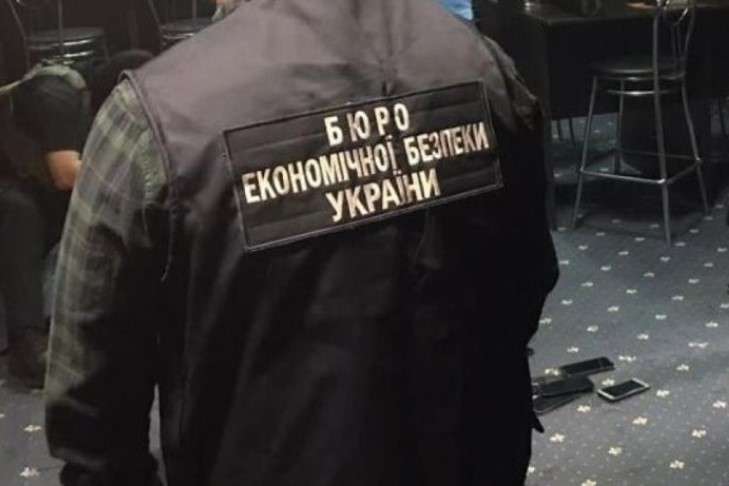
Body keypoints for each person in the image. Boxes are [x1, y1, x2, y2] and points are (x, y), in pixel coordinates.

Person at [45, 1, 558, 485]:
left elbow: (89, 407)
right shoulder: (481, 61)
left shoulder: (153, 115)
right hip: (471, 457)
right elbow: (528, 279)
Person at [0, 51, 153, 389]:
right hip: (13, 187)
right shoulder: (57, 97)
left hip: (35, 184)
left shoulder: (95, 110)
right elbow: (66, 174)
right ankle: (26, 342)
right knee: (19, 210)